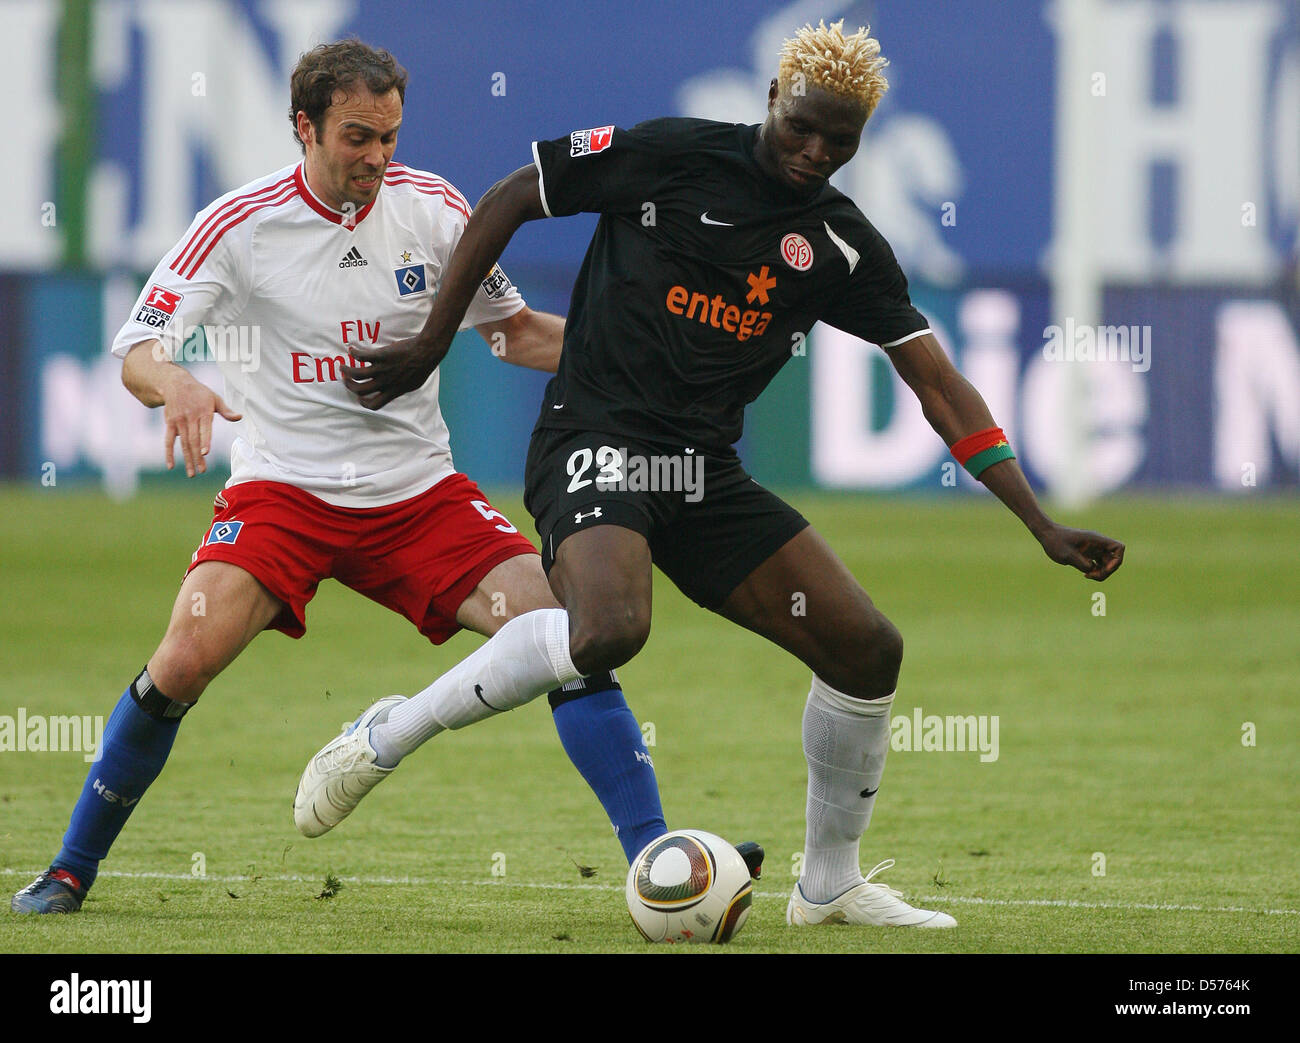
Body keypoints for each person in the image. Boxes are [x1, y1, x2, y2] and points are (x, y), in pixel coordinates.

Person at [329, 20, 1126, 930]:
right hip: (594, 434)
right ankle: (392, 731)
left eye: (841, 142)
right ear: (774, 99)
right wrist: (434, 341)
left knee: (869, 649)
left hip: (701, 471)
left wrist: (1041, 523)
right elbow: (514, 194)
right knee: (610, 629)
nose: (815, 152)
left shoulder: (842, 244)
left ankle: (827, 883)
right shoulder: (673, 156)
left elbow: (939, 384)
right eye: (803, 128)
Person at [11, 39, 671, 915]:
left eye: (390, 137)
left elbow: (512, 333)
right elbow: (138, 348)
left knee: (569, 638)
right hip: (283, 491)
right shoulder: (238, 224)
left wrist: (641, 357)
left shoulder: (434, 209)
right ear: (305, 127)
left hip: (420, 496)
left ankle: (661, 863)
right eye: (358, 136)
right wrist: (175, 384)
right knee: (182, 660)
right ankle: (68, 869)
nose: (378, 157)